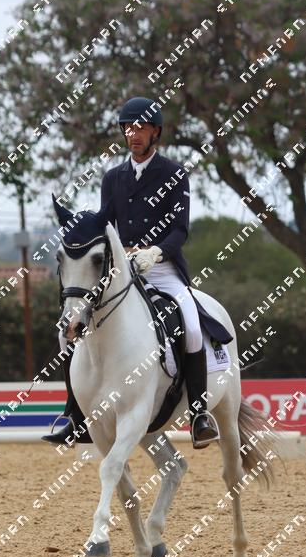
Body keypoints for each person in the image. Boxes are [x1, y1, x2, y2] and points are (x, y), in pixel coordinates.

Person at [42, 96, 232, 449]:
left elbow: (180, 230)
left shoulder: (174, 175)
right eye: (129, 128)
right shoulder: (113, 178)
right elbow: (107, 225)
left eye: (140, 128)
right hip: (122, 271)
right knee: (66, 331)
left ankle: (199, 414)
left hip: (163, 269)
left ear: (155, 132)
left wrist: (155, 252)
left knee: (191, 326)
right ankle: (75, 416)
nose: (134, 134)